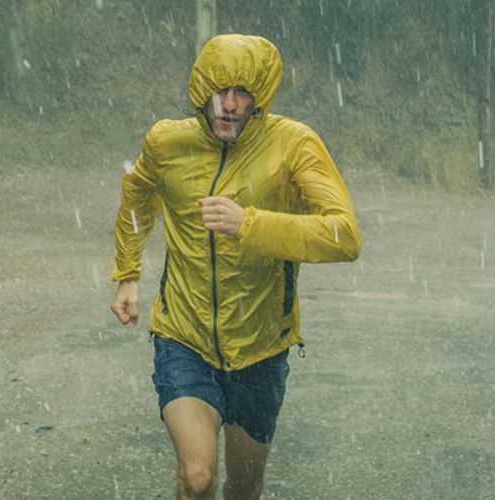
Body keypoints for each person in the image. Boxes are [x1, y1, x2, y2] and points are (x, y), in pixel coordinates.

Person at [109, 34, 361, 500]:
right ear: (200, 91)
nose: (228, 105)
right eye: (220, 91)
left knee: (243, 488)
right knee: (197, 476)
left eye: (242, 93)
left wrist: (250, 224)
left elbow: (344, 235)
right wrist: (127, 273)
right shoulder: (168, 142)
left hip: (260, 348)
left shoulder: (292, 144)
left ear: (259, 98)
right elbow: (137, 195)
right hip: (184, 337)